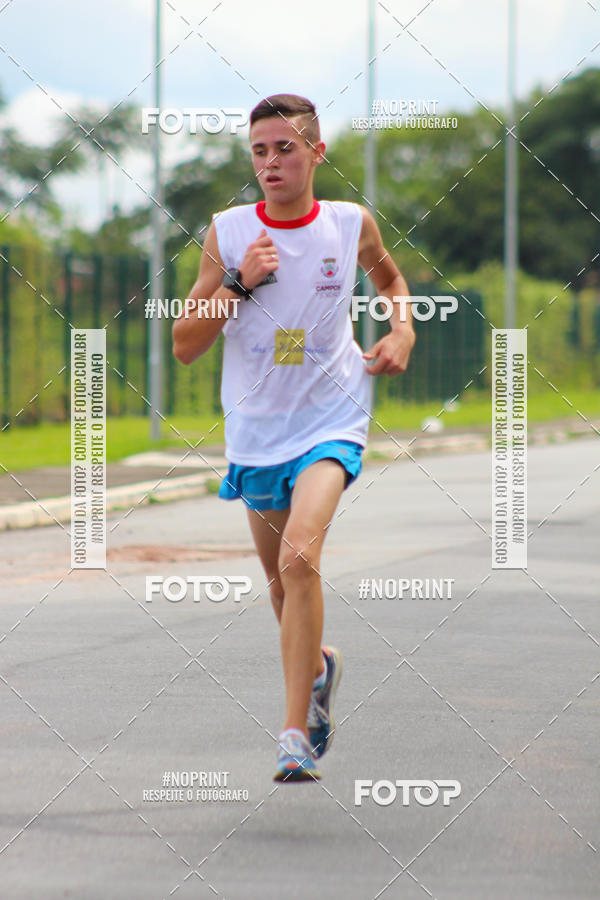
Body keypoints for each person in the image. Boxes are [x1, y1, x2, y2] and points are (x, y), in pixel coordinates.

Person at [173, 93, 415, 782]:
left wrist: (402, 327)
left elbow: (389, 276)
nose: (272, 162)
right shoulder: (227, 233)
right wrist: (242, 283)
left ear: (317, 151)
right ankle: (318, 668)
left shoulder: (348, 224)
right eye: (259, 151)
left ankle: (293, 735)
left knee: (300, 561)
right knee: (283, 588)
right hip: (256, 433)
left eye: (285, 148)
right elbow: (186, 343)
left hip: (331, 421)